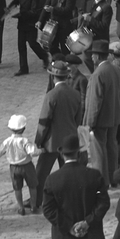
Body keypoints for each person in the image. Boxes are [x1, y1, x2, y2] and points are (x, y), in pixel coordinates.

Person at [36, 59, 84, 190]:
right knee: (69, 173)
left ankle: (36, 200)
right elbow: (78, 119)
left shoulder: (51, 95)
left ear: (52, 76)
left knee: (41, 173)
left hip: (52, 141)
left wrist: (39, 140)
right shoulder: (75, 94)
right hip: (69, 140)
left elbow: (44, 121)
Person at [85, 39, 120, 188]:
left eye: (93, 55)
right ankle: (113, 177)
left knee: (98, 151)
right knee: (111, 147)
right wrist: (118, 110)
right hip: (114, 116)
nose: (91, 58)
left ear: (97, 56)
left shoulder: (98, 74)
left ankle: (102, 181)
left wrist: (90, 122)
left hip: (101, 119)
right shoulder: (118, 70)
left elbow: (94, 101)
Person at [0, 115, 39, 215]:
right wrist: (41, 151)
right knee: (32, 186)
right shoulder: (25, 141)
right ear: (24, 128)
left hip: (13, 167)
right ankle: (33, 206)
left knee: (17, 188)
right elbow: (33, 152)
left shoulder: (7, 141)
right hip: (27, 166)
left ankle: (21, 208)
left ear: (10, 128)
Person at [9, 0, 49, 75]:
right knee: (21, 45)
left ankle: (44, 56)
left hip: (31, 23)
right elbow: (15, 1)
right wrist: (8, 9)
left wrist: (21, 13)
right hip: (22, 23)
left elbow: (34, 11)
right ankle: (23, 68)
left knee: (32, 43)